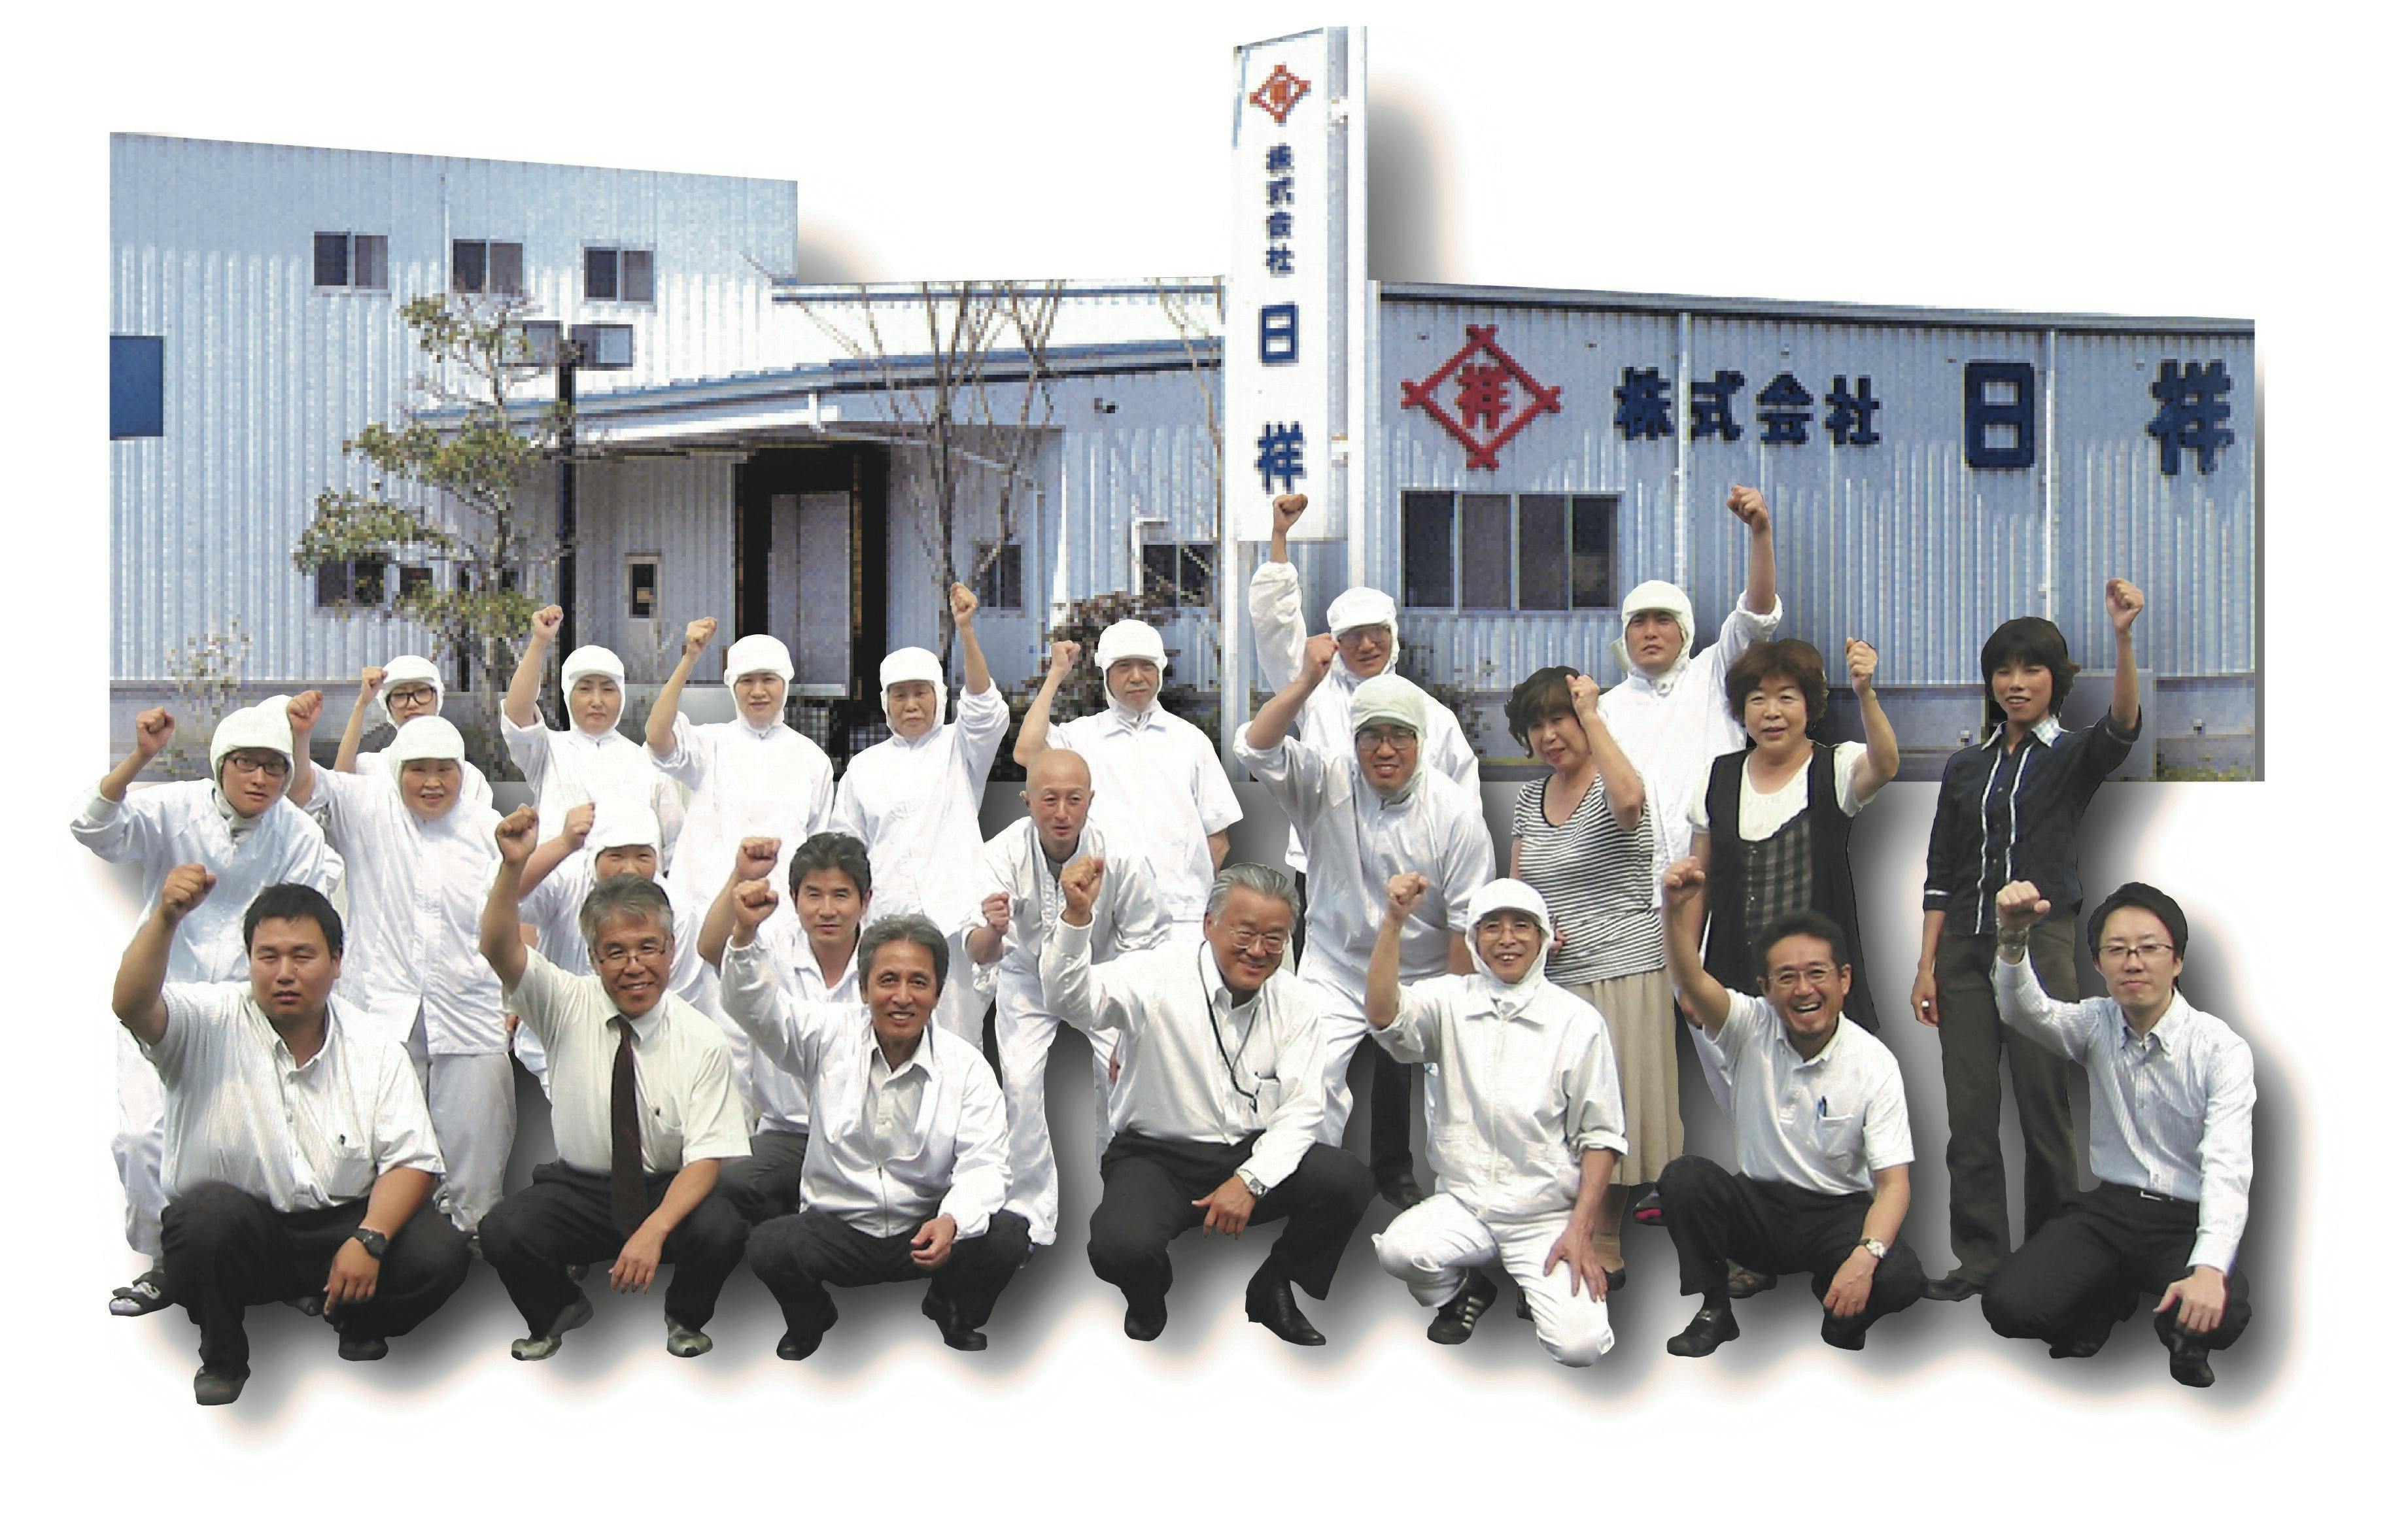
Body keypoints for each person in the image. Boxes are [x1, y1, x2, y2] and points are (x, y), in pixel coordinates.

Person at [110, 872, 469, 1405]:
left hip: (340, 1224)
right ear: (249, 959)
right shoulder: (204, 1020)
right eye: (268, 956)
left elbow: (411, 1159)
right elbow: (132, 1004)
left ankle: (357, 1317)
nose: (284, 973)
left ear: (337, 961)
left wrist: (369, 1240)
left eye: (302, 956)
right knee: (200, 1221)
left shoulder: (375, 1045)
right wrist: (166, 918)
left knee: (441, 1251)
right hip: (244, 1233)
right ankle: (223, 1356)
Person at [1915, 577, 2146, 1303]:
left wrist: (2122, 636)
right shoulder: (1965, 766)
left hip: (2040, 946)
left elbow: (2122, 728)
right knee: (1969, 1113)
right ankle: (1979, 1259)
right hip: (1963, 949)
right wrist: (1925, 966)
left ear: (2055, 681)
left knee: (2045, 1107)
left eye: (2031, 669)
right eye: (2003, 670)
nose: (2015, 683)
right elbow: (1941, 873)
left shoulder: (2070, 755)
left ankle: (2051, 1258)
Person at [73, 698, 344, 1317]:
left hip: (248, 1011)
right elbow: (93, 829)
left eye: (274, 767)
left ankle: (271, 1266)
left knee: (257, 1143)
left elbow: (304, 917)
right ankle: (164, 1263)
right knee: (142, 1136)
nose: (260, 778)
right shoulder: (174, 808)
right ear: (221, 763)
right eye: (246, 763)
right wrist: (139, 757)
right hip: (165, 998)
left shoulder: (298, 834)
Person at [1040, 859, 1375, 1345]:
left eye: (1275, 938)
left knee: (1349, 1181)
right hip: (1157, 1156)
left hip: (1249, 1148)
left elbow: (1303, 1109)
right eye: (1245, 932)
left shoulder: (1297, 1002)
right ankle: (1148, 1294)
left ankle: (1275, 1284)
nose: (1258, 950)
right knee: (1118, 1247)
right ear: (1209, 924)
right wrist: (1076, 919)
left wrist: (1251, 1180)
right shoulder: (1155, 974)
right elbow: (1068, 999)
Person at [477, 806, 751, 1360]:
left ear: (670, 949)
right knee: (502, 1228)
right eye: (616, 952)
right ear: (593, 957)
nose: (634, 965)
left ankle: (685, 1316)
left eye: (648, 947)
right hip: (580, 1190)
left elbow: (706, 1160)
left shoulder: (703, 1038)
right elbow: (498, 946)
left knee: (723, 1225)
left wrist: (654, 1230)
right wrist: (512, 867)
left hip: (665, 1187)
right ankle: (557, 1310)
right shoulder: (563, 1001)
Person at [1237, 647, 1495, 1207]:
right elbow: (1256, 745)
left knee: (1452, 1091)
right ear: (1353, 741)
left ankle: (1462, 1204)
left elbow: (1466, 927)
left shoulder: (1455, 813)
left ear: (1421, 741)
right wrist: (1306, 680)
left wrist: (1452, 1016)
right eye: (1371, 735)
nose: (1384, 749)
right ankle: (1311, 1194)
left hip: (1425, 973)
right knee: (1306, 1078)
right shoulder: (1324, 780)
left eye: (1399, 735)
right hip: (1334, 966)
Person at [719, 891, 1028, 1357]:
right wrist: (744, 935)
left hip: (925, 1227)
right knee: (768, 1245)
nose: (902, 997)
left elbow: (986, 1164)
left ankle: (951, 1307)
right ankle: (811, 1318)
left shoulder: (967, 1066)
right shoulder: (826, 1034)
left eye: (919, 982)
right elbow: (756, 1009)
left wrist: (952, 1220)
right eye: (888, 980)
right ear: (864, 989)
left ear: (938, 993)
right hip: (839, 1228)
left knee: (1009, 1234)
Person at [1980, 880, 2255, 1388]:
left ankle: (2178, 1331)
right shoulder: (2096, 1022)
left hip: (2184, 1217)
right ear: (2099, 963)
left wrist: (2209, 1268)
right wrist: (2013, 940)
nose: (2133, 962)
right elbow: (2023, 1009)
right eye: (2117, 949)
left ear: (2177, 960)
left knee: (2226, 1311)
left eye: (2149, 948)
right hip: (2111, 1211)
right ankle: (2105, 1299)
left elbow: (2228, 1165)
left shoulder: (2221, 1050)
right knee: (2008, 1305)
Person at [1652, 859, 1927, 1355]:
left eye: (1817, 973)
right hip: (1759, 1208)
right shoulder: (1748, 1025)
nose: (1803, 989)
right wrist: (1674, 910)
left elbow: (1893, 1185)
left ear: (1844, 979)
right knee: (1684, 1179)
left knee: (1901, 1277)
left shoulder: (1875, 1062)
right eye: (1787, 977)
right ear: (1766, 987)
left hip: (1836, 1215)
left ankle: (1841, 1313)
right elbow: (1691, 981)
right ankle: (1715, 1309)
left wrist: (1864, 1258)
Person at [1366, 876, 1626, 1366]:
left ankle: (1537, 1286)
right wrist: (1394, 922)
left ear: (1544, 936)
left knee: (1581, 1347)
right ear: (1473, 938)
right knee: (1399, 1250)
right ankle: (1463, 1289)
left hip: (1544, 1217)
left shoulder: (1577, 1021)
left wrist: (1581, 1229)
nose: (1507, 939)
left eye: (1521, 925)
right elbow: (1384, 1016)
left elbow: (1601, 1137)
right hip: (1464, 1204)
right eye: (1492, 926)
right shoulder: (1448, 1000)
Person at [288, 700, 512, 1237]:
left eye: (445, 770)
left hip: (470, 1005)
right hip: (384, 1006)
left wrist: (514, 995)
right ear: (397, 769)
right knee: (383, 1138)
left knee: (477, 1140)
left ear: (463, 772)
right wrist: (300, 735)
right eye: (419, 769)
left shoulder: (488, 828)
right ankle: (389, 1238)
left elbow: (517, 911)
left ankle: (472, 1235)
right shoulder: (367, 805)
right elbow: (302, 790)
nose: (432, 782)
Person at [965, 747, 1170, 1251]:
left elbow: (1147, 945)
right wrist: (993, 930)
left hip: (1101, 972)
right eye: (1049, 798)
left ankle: (1123, 1199)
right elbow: (978, 950)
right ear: (1026, 800)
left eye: (1073, 799)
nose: (1061, 812)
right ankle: (1029, 1214)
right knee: (1018, 1083)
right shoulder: (999, 855)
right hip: (1026, 977)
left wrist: (1132, 1029)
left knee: (1121, 1079)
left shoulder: (1122, 854)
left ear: (1090, 800)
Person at [1502, 666, 1657, 1280]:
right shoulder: (1528, 798)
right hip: (1552, 982)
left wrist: (1594, 713)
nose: (1549, 735)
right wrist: (1534, 931)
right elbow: (1518, 888)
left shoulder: (1615, 778)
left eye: (1559, 719)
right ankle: (1560, 1229)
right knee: (1553, 1114)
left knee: (1611, 1107)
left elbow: (1631, 803)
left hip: (1620, 972)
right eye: (1536, 725)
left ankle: (1605, 1235)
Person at [829, 583, 1009, 1042]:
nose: (911, 705)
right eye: (900, 695)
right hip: (886, 925)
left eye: (921, 693)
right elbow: (845, 852)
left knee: (957, 1047)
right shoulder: (864, 768)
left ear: (939, 697)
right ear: (886, 702)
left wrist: (966, 629)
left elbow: (985, 709)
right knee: (885, 1043)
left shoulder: (960, 749)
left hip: (954, 925)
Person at [1692, 637, 1899, 1031]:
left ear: (1809, 706)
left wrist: (1865, 693)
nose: (1772, 712)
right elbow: (1696, 885)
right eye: (1757, 699)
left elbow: (1885, 764)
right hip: (1735, 981)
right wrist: (1691, 979)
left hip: (1818, 985)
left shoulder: (1836, 767)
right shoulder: (1717, 777)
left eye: (1786, 698)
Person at [1597, 485, 1781, 902]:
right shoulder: (1604, 710)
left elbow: (1757, 615)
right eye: (1639, 622)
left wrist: (1761, 533)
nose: (1650, 632)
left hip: (1722, 878)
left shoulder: (1715, 673)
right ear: (1625, 635)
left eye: (1664, 620)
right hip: (1635, 897)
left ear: (1685, 630)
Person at [1013, 624, 1240, 944]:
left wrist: (1191, 895)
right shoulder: (1080, 737)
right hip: (1103, 915)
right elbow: (1026, 752)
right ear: (1106, 674)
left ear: (1160, 671)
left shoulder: (1190, 740)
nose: (1136, 677)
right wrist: (1056, 675)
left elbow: (1218, 837)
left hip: (1182, 920)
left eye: (1146, 666)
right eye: (1123, 667)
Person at [695, 830, 874, 1223]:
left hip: (864, 1136)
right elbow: (711, 949)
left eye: (841, 895)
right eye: (814, 895)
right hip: (787, 1135)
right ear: (794, 898)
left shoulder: (885, 959)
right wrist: (741, 878)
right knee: (726, 1188)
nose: (827, 910)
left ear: (866, 901)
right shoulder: (772, 948)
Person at [645, 617, 834, 915]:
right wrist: (690, 657)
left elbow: (817, 847)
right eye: (746, 681)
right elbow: (657, 736)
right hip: (706, 909)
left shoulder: (811, 759)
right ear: (732, 687)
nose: (757, 691)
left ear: (785, 684)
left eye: (768, 679)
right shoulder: (709, 744)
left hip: (782, 913)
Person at [502, 602, 677, 855]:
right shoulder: (548, 752)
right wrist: (539, 641)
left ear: (622, 697)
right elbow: (517, 713)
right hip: (557, 878)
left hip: (632, 880)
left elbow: (675, 844)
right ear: (568, 696)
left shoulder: (650, 764)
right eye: (584, 689)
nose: (597, 701)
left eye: (608, 689)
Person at [515, 801, 706, 1004]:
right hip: (559, 1012)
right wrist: (564, 843)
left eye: (643, 857)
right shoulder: (566, 880)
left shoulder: (678, 909)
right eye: (616, 856)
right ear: (596, 856)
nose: (630, 869)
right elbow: (509, 896)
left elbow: (680, 995)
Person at [331, 657, 494, 807]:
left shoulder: (469, 777)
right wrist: (362, 703)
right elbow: (340, 786)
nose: (412, 704)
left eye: (421, 692)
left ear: (438, 697)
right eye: (400, 695)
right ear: (388, 706)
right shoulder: (372, 766)